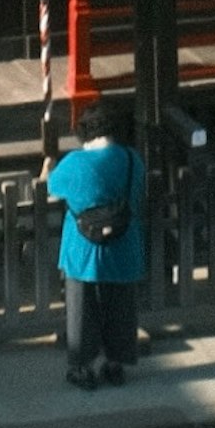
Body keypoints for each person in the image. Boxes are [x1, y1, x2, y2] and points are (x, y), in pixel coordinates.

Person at [45, 110, 145, 384]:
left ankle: (82, 367)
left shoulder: (75, 162)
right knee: (121, 306)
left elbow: (52, 186)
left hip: (83, 249)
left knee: (81, 309)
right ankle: (116, 364)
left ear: (84, 135)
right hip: (124, 245)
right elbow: (138, 192)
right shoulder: (131, 159)